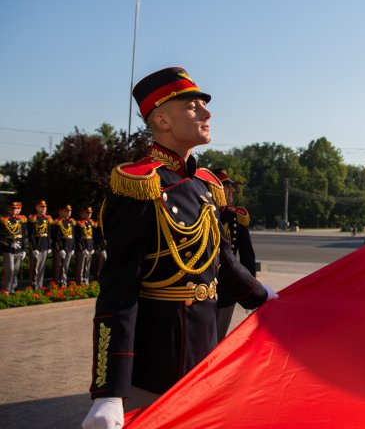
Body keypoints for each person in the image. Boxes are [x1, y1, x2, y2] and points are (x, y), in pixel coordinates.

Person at [82, 67, 278, 429]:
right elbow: (119, 290)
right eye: (193, 107)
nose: (207, 114)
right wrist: (109, 391)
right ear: (162, 119)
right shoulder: (139, 183)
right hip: (157, 362)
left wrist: (264, 297)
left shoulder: (205, 185)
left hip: (204, 353)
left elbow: (220, 260)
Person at [215, 169, 257, 340]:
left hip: (226, 291)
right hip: (198, 291)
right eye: (227, 186)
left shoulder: (236, 216)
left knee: (217, 341)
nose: (232, 190)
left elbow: (247, 257)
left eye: (232, 187)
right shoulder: (198, 211)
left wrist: (251, 292)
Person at [0, 201, 27, 292]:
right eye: (13, 208)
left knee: (15, 271)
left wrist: (24, 249)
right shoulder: (3, 220)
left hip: (18, 249)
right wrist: (9, 243)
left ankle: (12, 288)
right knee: (9, 270)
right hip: (8, 249)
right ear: (8, 209)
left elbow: (23, 236)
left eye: (17, 208)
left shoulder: (21, 220)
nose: (15, 210)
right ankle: (6, 289)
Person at [27, 200, 53, 290]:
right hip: (37, 246)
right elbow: (31, 234)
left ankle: (39, 286)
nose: (44, 209)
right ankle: (33, 286)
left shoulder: (47, 219)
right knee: (35, 268)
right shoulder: (33, 218)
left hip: (44, 245)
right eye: (42, 207)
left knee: (42, 268)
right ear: (37, 208)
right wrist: (33, 247)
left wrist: (49, 246)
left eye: (45, 207)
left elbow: (49, 233)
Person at [51, 204, 75, 287]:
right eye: (67, 211)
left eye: (70, 211)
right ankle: (56, 284)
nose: (69, 213)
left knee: (65, 267)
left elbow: (73, 236)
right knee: (58, 268)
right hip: (59, 249)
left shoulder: (71, 222)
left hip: (68, 247)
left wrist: (72, 248)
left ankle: (63, 283)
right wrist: (60, 248)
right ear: (61, 212)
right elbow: (56, 237)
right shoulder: (57, 222)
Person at [74, 206, 95, 284]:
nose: (89, 214)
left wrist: (92, 247)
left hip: (89, 247)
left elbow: (91, 237)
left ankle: (86, 281)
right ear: (82, 214)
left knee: (87, 267)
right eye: (87, 213)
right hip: (82, 249)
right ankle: (79, 282)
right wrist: (82, 248)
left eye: (90, 213)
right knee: (80, 267)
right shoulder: (79, 223)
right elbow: (78, 238)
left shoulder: (90, 223)